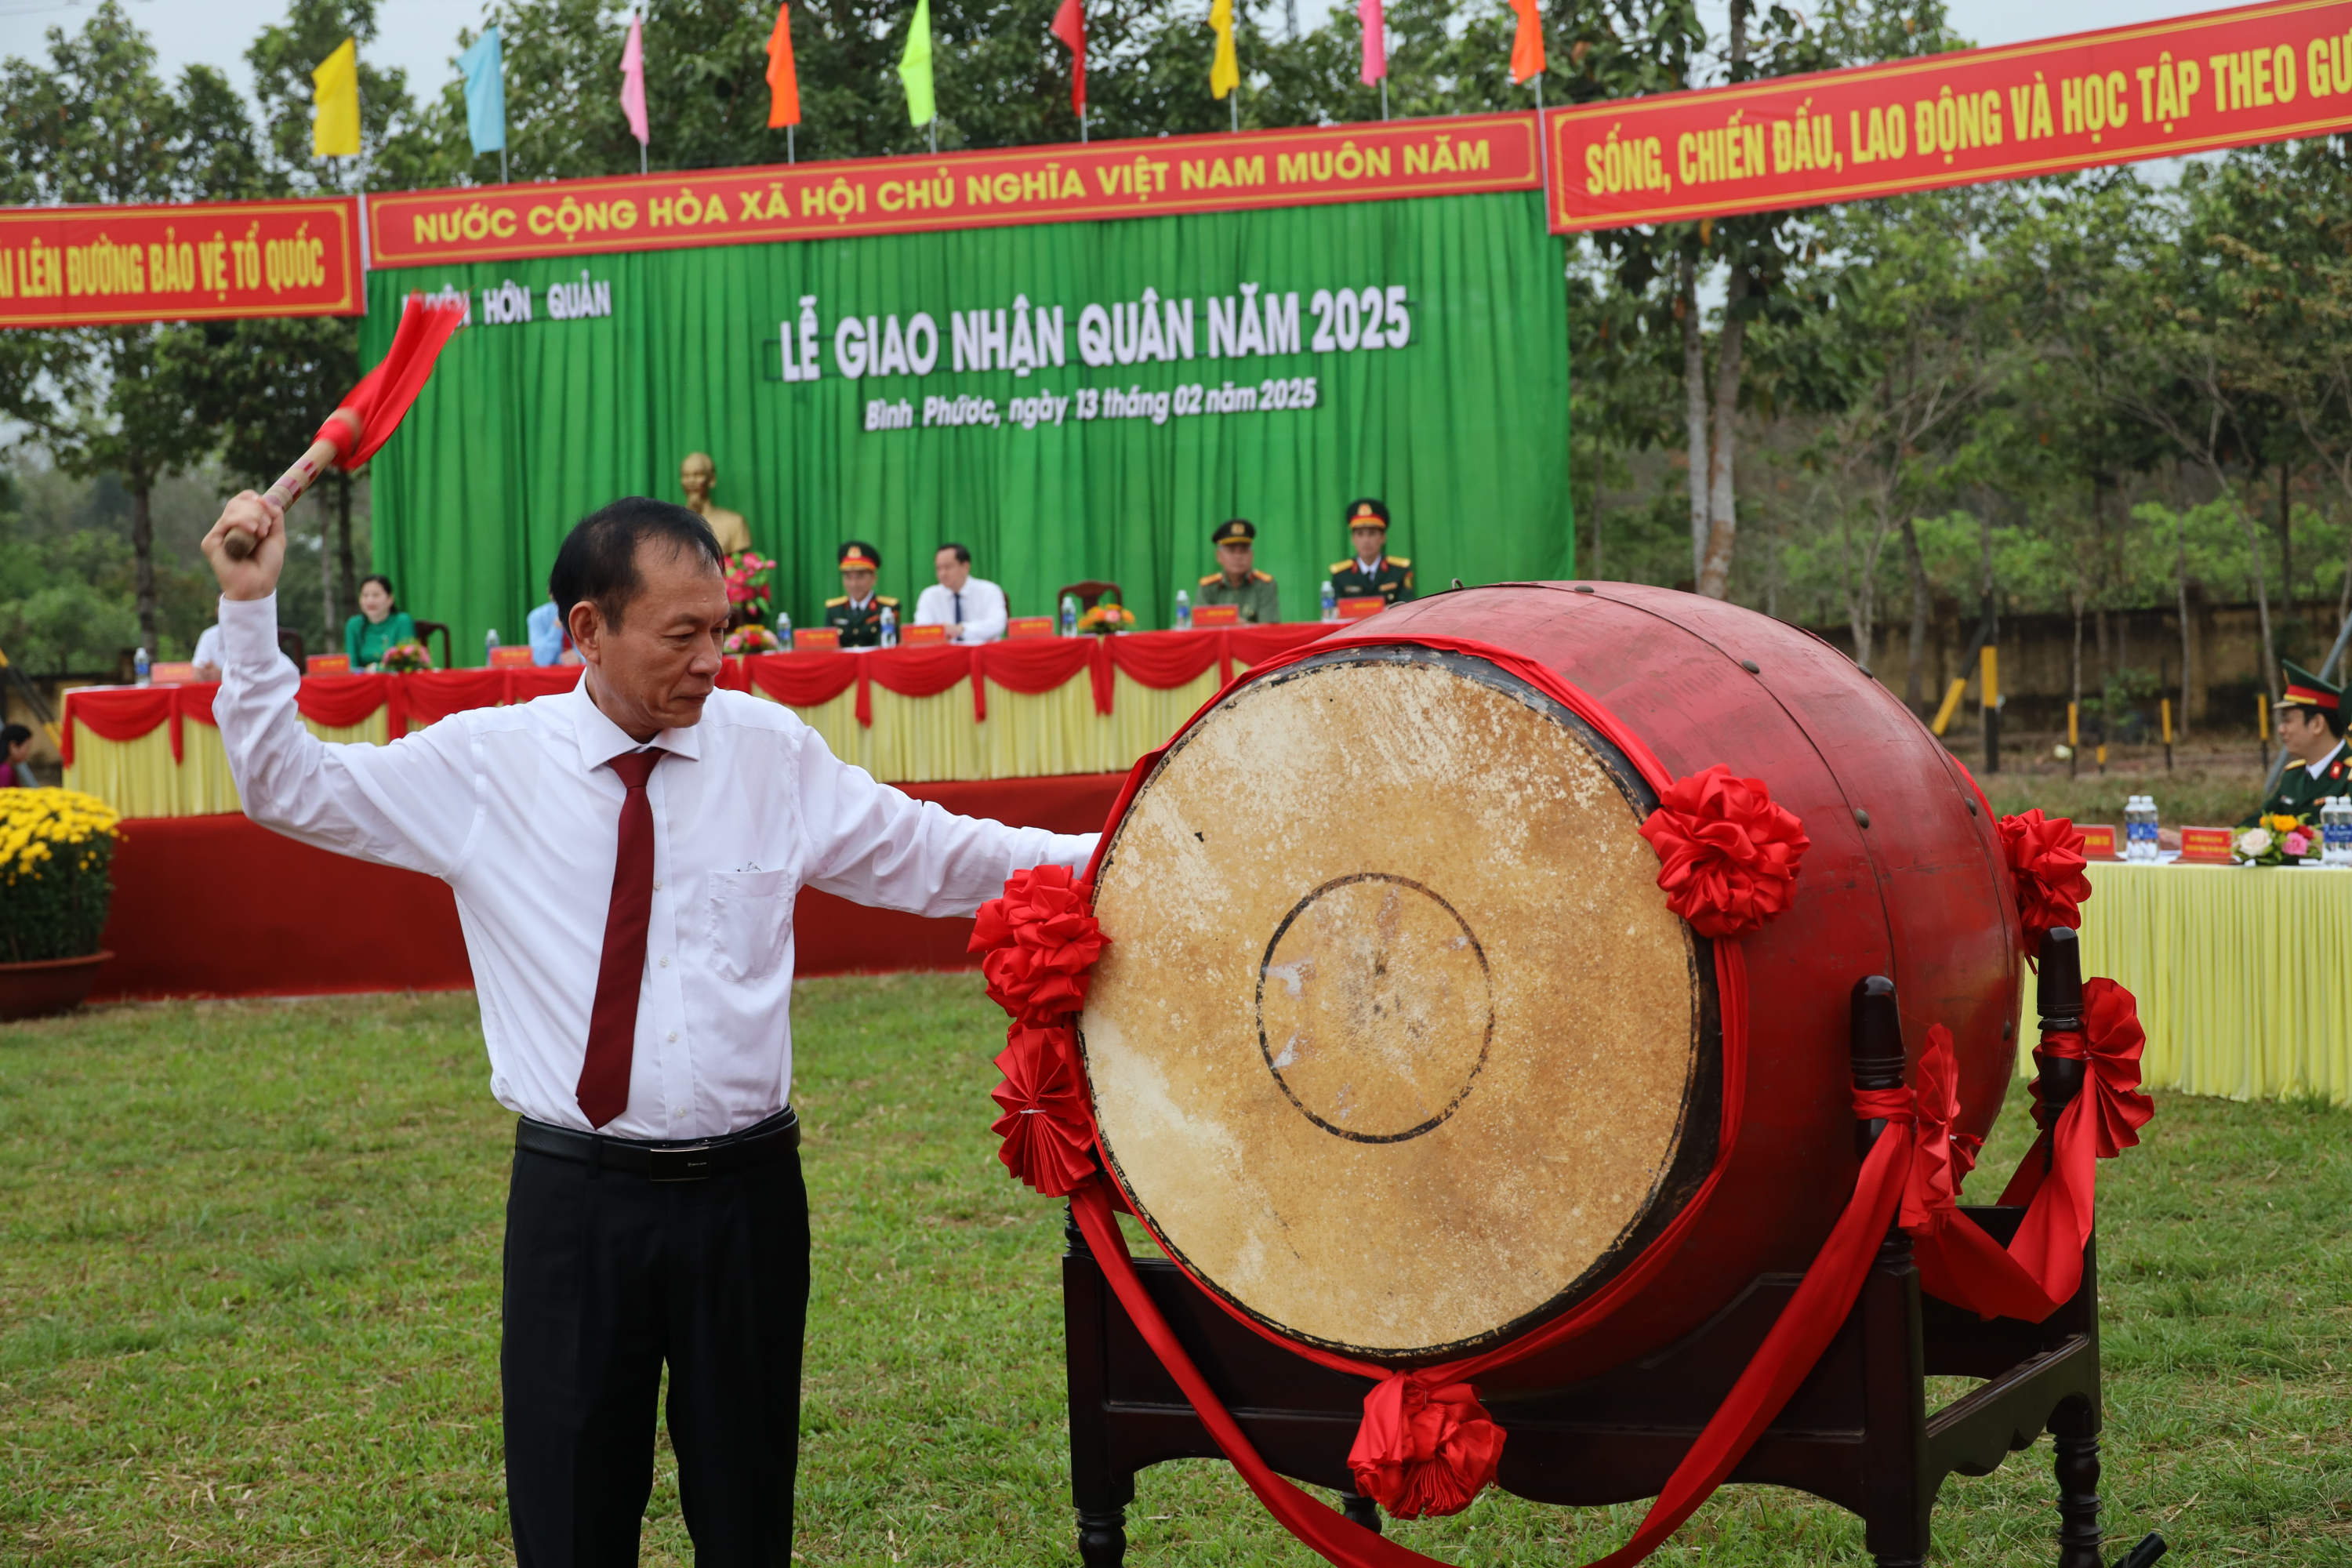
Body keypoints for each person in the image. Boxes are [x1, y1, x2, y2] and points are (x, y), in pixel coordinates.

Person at [198, 488, 1095, 1566]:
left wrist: (1121, 851)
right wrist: (250, 614)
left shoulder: (767, 752)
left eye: (721, 629)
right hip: (578, 1205)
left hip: (749, 1203)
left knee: (747, 1505)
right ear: (588, 629)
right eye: (682, 635)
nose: (714, 659)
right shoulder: (487, 766)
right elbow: (289, 785)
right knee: (572, 1510)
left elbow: (935, 853)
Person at [2241, 660, 2349, 824]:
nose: (2280, 729)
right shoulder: (2293, 776)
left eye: (2288, 720)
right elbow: (2259, 822)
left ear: (2317, 724)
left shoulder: (2348, 776)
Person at [913, 543, 1008, 644]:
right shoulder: (929, 595)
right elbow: (921, 630)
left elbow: (997, 624)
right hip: (946, 656)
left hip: (982, 654)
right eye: (938, 568)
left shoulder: (989, 591)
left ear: (965, 567)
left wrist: (962, 630)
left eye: (948, 567)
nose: (942, 574)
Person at [1327, 498, 1414, 607]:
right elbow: (1336, 612)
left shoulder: (1399, 571)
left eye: (1372, 534)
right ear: (1353, 539)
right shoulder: (1341, 574)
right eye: (1360, 534)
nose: (1366, 540)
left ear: (1383, 538)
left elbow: (1407, 608)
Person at [1196, 518, 1280, 625]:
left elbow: (1270, 632)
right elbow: (1200, 627)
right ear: (1219, 556)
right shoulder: (1207, 588)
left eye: (1244, 551)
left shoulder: (1265, 585)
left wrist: (1240, 626)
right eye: (1231, 551)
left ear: (1252, 555)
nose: (1238, 557)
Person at [824, 541, 896, 648]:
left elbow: (886, 646)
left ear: (874, 578)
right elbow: (829, 647)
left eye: (860, 576)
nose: (854, 584)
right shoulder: (834, 610)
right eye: (848, 577)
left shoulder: (888, 608)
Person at [680, 452, 753, 557]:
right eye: (686, 475)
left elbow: (739, 566)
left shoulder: (734, 524)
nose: (691, 481)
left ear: (712, 480)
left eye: (698, 475)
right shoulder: (671, 525)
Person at [346, 574, 419, 670]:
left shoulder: (402, 621)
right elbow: (351, 666)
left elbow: (407, 663)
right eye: (365, 595)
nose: (370, 601)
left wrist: (376, 669)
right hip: (365, 682)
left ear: (390, 599)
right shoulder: (354, 625)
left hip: (396, 681)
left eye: (376, 595)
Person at [526, 593, 585, 667]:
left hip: (581, 672)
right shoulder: (537, 617)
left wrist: (581, 658)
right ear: (550, 593)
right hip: (550, 676)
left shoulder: (586, 613)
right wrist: (556, 628)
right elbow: (541, 661)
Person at [0, 722, 38, 787]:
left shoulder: (8, 769)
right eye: (27, 747)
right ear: (13, 746)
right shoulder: (5, 771)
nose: (28, 752)